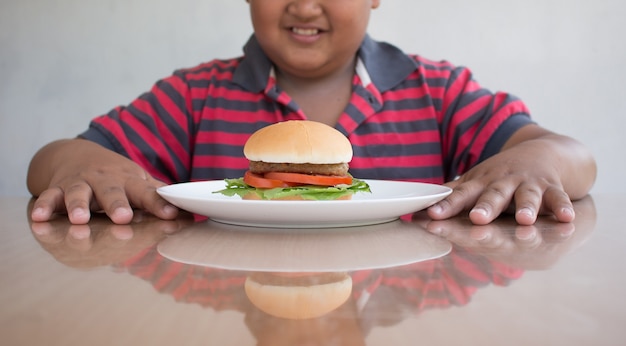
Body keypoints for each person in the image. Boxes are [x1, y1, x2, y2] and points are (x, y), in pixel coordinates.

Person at [27, 0, 597, 226]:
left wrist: (538, 159)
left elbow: (574, 158)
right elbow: (56, 158)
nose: (303, 4)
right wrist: (76, 164)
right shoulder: (195, 95)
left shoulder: (438, 90)